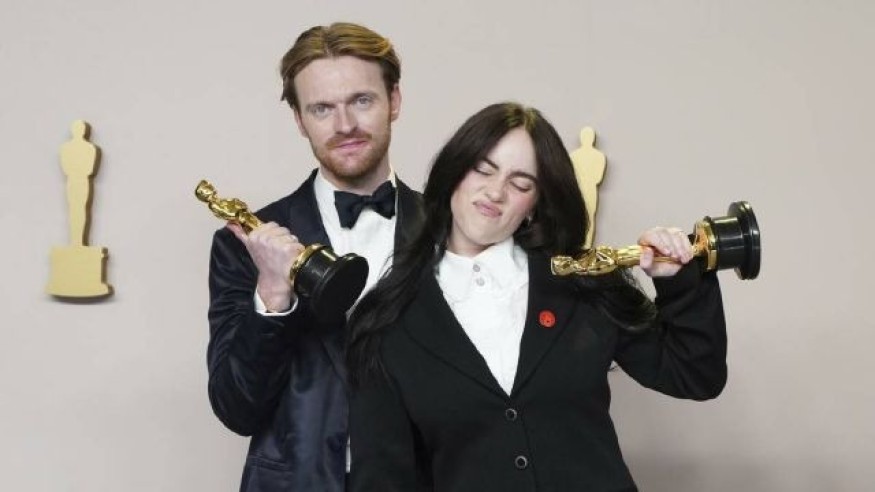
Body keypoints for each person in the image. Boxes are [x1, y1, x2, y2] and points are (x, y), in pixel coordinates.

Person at [347, 102, 727, 492]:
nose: (495, 191)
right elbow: (381, 479)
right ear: (454, 172)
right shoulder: (387, 321)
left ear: (535, 204)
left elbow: (696, 375)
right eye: (483, 169)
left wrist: (679, 281)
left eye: (520, 183)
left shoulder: (582, 281)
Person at [206, 23, 424, 492]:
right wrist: (272, 297)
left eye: (361, 100)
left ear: (395, 101)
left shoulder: (451, 231)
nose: (344, 125)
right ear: (300, 120)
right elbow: (236, 408)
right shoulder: (244, 243)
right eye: (322, 108)